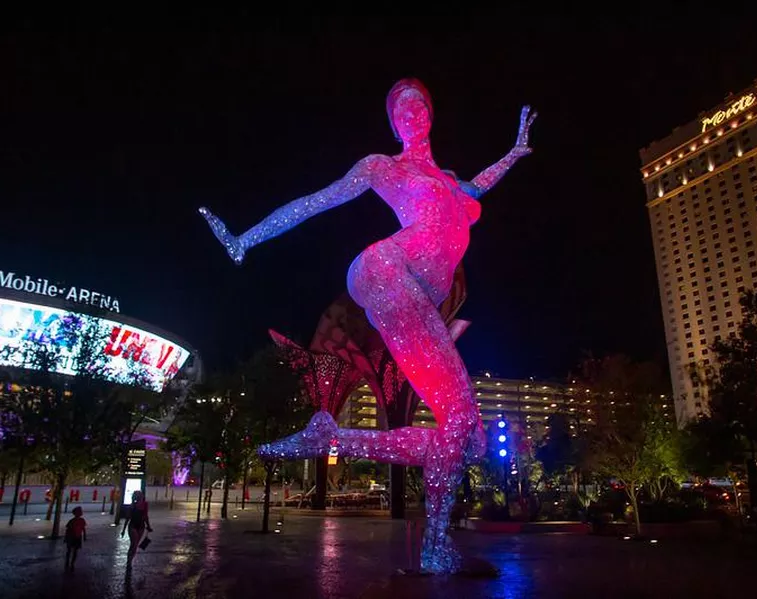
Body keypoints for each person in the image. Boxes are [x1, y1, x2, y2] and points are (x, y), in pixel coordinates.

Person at [200, 79, 535, 573]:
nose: (413, 112)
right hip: (385, 271)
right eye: (402, 108)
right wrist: (245, 239)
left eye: (420, 103)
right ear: (394, 123)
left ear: (430, 114)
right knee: (463, 424)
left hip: (416, 300)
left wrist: (515, 152)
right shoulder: (383, 167)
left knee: (463, 435)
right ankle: (435, 547)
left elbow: (479, 185)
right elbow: (316, 201)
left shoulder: (447, 178)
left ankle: (333, 442)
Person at [121, 490, 152, 567]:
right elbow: (128, 518)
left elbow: (145, 516)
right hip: (133, 525)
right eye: (140, 495)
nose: (141, 496)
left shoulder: (145, 504)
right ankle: (129, 561)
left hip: (141, 526)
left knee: (135, 544)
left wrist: (148, 526)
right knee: (134, 544)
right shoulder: (132, 505)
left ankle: (130, 560)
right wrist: (123, 530)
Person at [64, 506, 87, 572]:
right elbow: (68, 530)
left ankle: (70, 563)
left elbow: (83, 529)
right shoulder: (75, 521)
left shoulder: (76, 521)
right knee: (72, 551)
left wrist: (84, 536)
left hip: (76, 537)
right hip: (73, 537)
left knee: (73, 551)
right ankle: (69, 563)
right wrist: (84, 536)